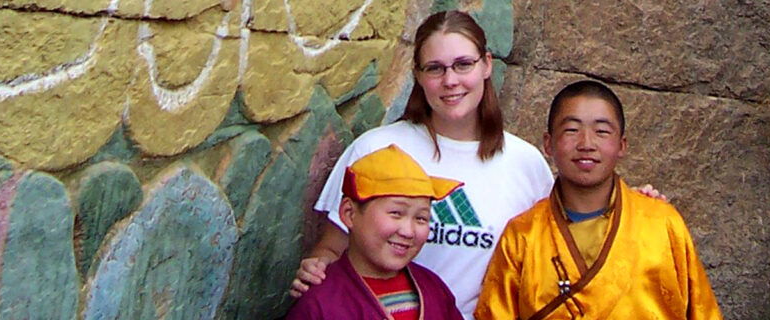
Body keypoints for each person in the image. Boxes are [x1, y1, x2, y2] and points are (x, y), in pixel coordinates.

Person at [290, 10, 556, 319]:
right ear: (417, 74)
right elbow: (332, 251)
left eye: (463, 64)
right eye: (435, 68)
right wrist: (316, 270)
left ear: (486, 65)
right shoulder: (375, 149)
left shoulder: (526, 163)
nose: (450, 80)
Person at [474, 80, 721, 320]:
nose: (586, 144)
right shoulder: (522, 235)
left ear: (622, 145)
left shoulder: (662, 224)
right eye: (571, 130)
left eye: (602, 132)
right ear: (548, 144)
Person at [285, 144, 465, 320]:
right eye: (396, 213)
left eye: (421, 218)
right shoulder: (320, 301)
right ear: (349, 213)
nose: (408, 231)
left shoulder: (433, 288)